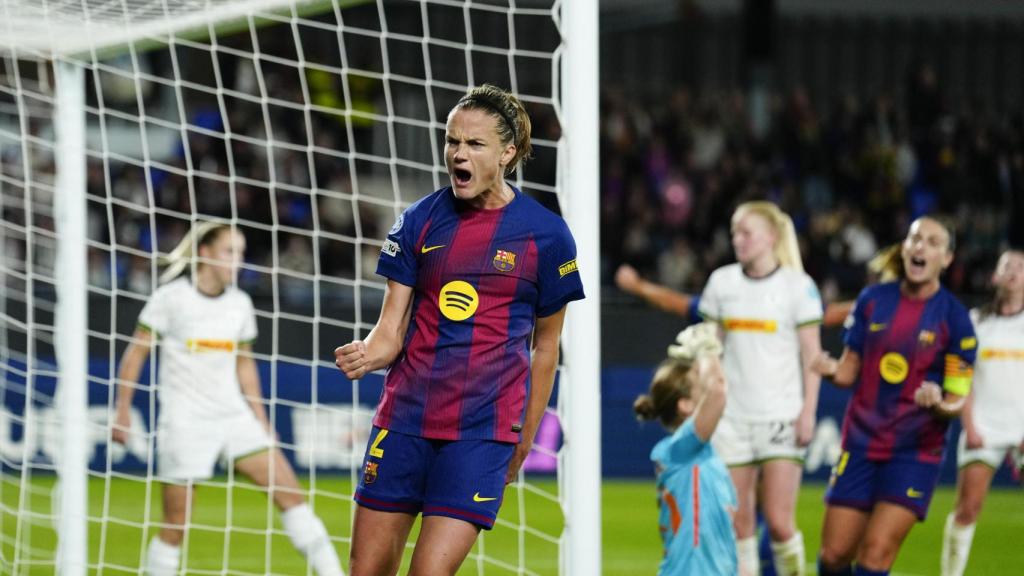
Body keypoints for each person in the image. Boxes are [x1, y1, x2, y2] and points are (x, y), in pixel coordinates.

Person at [334, 84, 585, 576]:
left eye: (474, 144)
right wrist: (366, 352)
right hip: (404, 421)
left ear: (508, 152)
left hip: (481, 433)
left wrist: (525, 439)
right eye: (452, 141)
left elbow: (547, 347)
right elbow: (390, 333)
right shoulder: (419, 221)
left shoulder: (547, 235)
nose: (457, 154)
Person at [111, 222, 343, 576]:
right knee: (175, 525)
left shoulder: (240, 303)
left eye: (241, 253)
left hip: (234, 418)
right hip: (185, 423)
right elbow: (135, 353)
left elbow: (244, 364)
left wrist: (261, 420)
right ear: (205, 253)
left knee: (292, 497)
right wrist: (122, 410)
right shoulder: (171, 298)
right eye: (229, 252)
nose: (238, 261)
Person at [813, 216, 977, 576]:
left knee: (874, 558)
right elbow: (847, 372)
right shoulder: (872, 301)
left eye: (933, 242)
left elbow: (957, 398)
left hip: (914, 452)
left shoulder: (956, 319)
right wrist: (826, 368)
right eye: (915, 239)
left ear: (947, 259)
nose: (920, 247)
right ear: (904, 248)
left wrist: (940, 400)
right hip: (859, 444)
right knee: (833, 555)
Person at [695, 201, 823, 576]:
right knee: (738, 522)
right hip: (732, 419)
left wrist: (808, 412)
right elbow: (709, 349)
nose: (738, 239)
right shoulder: (722, 282)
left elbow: (812, 356)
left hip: (780, 416)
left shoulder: (798, 287)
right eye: (734, 232)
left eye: (746, 232)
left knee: (781, 523)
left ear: (770, 237)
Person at [940, 249, 1024, 576]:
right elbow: (963, 379)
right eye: (1008, 266)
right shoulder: (975, 322)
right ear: (995, 277)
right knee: (967, 508)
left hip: (1021, 429)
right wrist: (969, 425)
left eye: (1021, 267)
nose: (1015, 271)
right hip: (983, 426)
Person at [634, 323, 736, 575]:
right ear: (686, 405)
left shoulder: (700, 457)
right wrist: (707, 349)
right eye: (700, 384)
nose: (707, 382)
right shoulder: (679, 450)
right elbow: (719, 392)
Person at [614, 263, 854, 328]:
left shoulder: (788, 301)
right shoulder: (729, 299)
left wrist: (884, 300)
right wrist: (638, 286)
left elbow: (830, 315)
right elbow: (682, 305)